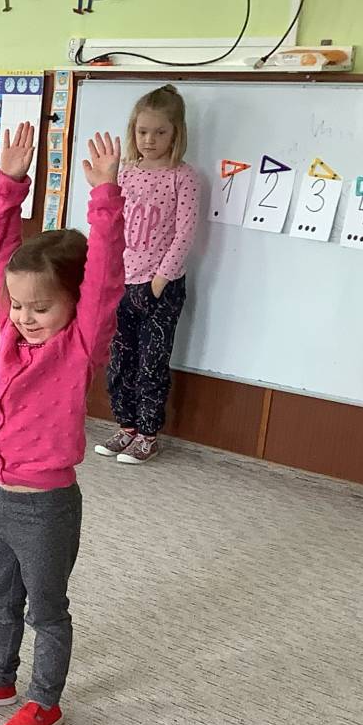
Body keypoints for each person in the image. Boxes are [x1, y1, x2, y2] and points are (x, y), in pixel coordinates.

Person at [0, 123, 124, 725]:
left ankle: (45, 699)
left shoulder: (78, 346)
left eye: (40, 307)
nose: (23, 317)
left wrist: (105, 197)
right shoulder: (12, 330)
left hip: (47, 506)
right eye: (18, 306)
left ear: (73, 304)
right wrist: (9, 185)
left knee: (46, 609)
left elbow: (105, 277)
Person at [97, 84, 199, 465]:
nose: (150, 140)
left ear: (176, 133)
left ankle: (148, 434)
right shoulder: (125, 173)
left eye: (160, 132)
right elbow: (111, 224)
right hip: (121, 283)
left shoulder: (183, 177)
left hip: (160, 288)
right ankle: (126, 426)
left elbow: (184, 234)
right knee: (120, 360)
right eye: (142, 132)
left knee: (151, 363)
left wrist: (159, 281)